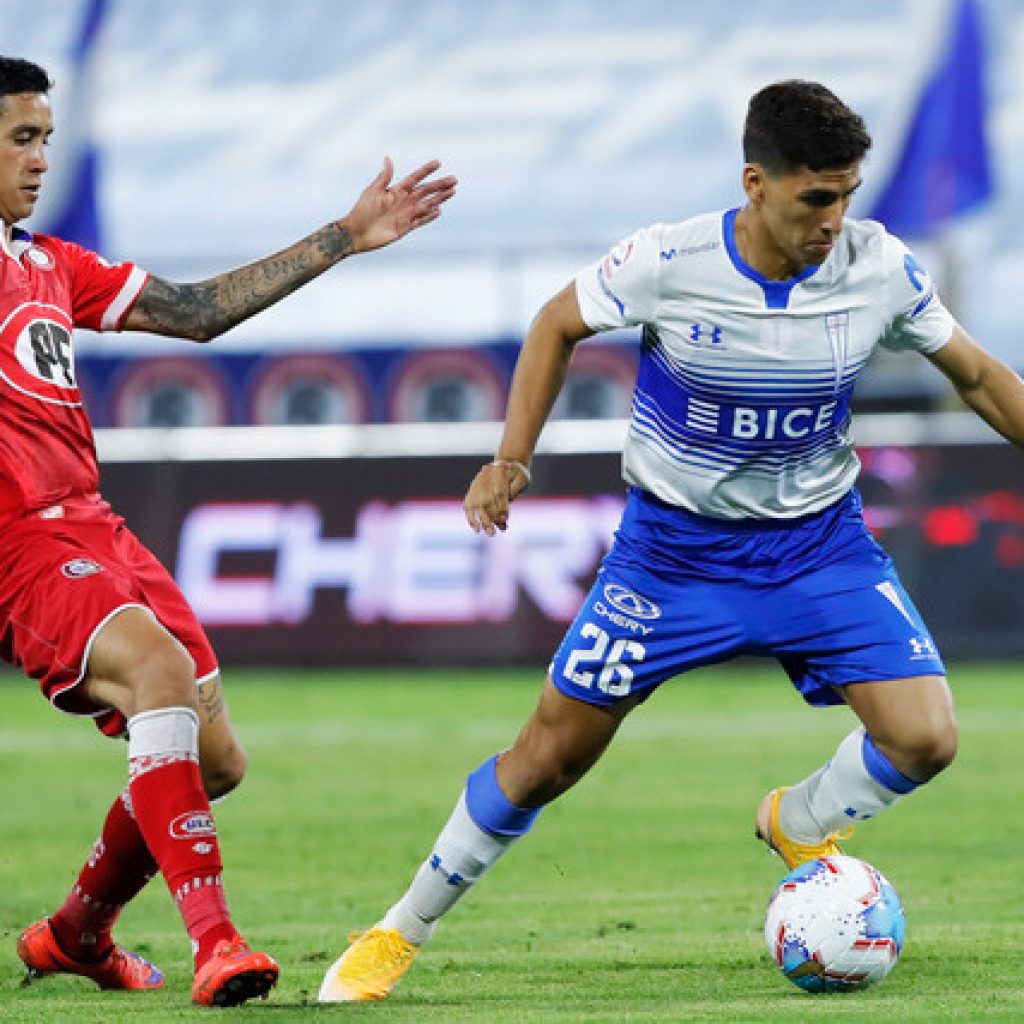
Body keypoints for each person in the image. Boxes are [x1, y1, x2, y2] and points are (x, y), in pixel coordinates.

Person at [318, 78, 1024, 1003]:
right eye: (817, 197)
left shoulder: (878, 266)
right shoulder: (667, 260)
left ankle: (800, 820)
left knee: (926, 738)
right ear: (756, 183)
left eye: (848, 195)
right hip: (670, 560)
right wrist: (511, 459)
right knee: (546, 759)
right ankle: (398, 929)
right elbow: (556, 323)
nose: (834, 220)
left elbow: (977, 375)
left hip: (819, 548)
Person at [0, 55, 455, 1008]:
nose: (40, 159)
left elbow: (198, 313)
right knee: (159, 676)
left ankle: (77, 933)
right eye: (21, 139)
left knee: (216, 762)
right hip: (20, 544)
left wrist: (344, 237)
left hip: (97, 526)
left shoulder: (47, 264)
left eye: (45, 138)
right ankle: (218, 943)